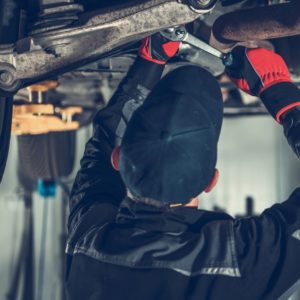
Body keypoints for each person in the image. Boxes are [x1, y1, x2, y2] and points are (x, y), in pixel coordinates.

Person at [65, 33, 300, 300]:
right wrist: (151, 60)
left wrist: (279, 94)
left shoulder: (244, 261)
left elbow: (103, 147)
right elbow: (105, 142)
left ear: (212, 181)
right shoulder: (88, 238)